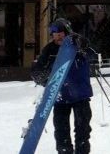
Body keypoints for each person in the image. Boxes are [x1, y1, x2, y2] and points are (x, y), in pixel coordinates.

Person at [31, 18, 94, 154]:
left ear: (67, 33)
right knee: (61, 132)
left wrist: (83, 44)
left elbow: (91, 55)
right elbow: (36, 72)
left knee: (83, 130)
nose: (58, 36)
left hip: (80, 96)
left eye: (61, 33)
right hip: (59, 96)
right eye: (55, 33)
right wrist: (46, 79)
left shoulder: (77, 44)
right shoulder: (49, 50)